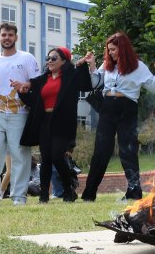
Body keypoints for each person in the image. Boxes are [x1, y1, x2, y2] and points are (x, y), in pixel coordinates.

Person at [81, 32, 155, 202]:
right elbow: (95, 83)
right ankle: (89, 193)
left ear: (122, 48)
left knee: (128, 149)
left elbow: (154, 88)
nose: (110, 53)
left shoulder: (138, 66)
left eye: (113, 49)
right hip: (107, 107)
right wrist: (92, 65)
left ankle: (134, 191)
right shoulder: (107, 65)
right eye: (109, 50)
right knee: (101, 150)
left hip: (127, 107)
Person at [12, 47, 95, 203]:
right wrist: (21, 91)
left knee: (57, 156)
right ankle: (44, 196)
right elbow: (33, 102)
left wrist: (83, 65)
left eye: (54, 58)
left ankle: (68, 189)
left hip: (63, 122)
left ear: (64, 60)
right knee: (46, 159)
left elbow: (86, 85)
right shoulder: (42, 80)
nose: (49, 61)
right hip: (45, 122)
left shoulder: (71, 76)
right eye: (48, 58)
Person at [0, 23, 39, 206]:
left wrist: (24, 85)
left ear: (16, 37)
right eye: (3, 35)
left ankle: (19, 196)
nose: (7, 38)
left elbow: (36, 83)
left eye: (10, 35)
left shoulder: (27, 58)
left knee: (20, 153)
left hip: (19, 112)